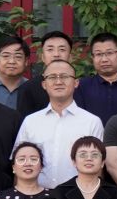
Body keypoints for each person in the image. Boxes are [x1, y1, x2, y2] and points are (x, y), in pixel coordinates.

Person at [14, 59, 104, 189]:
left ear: (76, 83)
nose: (58, 82)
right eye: (52, 77)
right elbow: (18, 161)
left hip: (78, 194)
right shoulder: (30, 121)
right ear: (44, 84)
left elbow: (98, 167)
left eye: (64, 77)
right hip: (37, 194)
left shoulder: (92, 122)